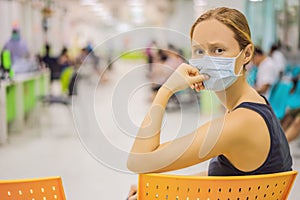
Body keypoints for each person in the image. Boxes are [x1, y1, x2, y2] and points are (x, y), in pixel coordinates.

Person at [126, 7, 292, 200]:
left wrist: (165, 91)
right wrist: (157, 190)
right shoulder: (255, 104)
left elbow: (138, 161)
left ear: (246, 54)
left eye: (218, 50)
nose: (207, 60)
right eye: (198, 51)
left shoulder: (241, 123)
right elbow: (227, 180)